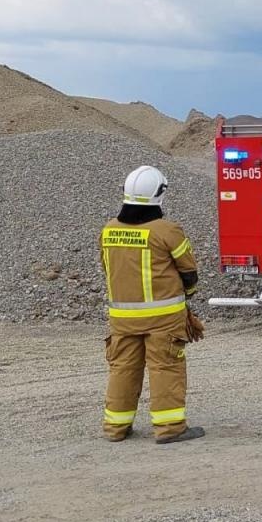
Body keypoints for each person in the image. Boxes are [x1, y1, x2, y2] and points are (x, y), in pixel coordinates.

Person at [100, 165, 203, 443]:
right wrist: (189, 295)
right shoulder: (167, 230)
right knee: (166, 368)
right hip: (164, 319)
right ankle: (170, 429)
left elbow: (108, 269)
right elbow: (189, 272)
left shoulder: (109, 230)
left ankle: (115, 428)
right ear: (159, 195)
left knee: (123, 369)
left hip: (121, 319)